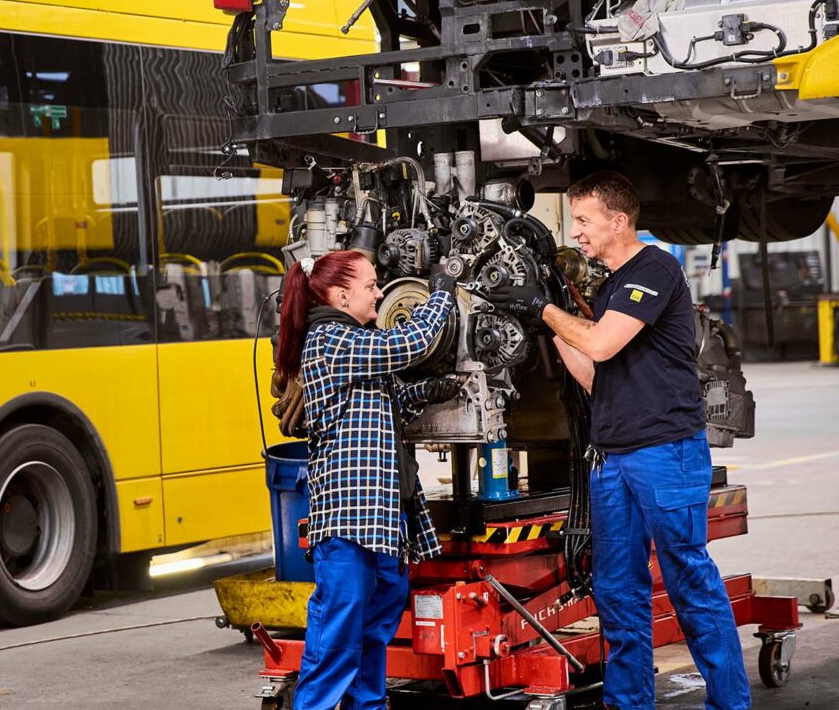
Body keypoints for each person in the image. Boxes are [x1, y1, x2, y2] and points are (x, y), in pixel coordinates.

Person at [487, 171, 750, 710]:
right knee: (617, 592)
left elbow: (603, 344)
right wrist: (548, 319)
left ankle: (730, 703)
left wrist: (544, 309)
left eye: (584, 220)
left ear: (618, 220)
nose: (577, 233)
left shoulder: (654, 267)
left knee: (688, 583)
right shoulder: (608, 288)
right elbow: (593, 376)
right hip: (612, 460)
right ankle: (628, 703)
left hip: (664, 453)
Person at [274, 249, 458, 710]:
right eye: (372, 285)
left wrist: (439, 388)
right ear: (341, 295)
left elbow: (392, 403)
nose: (380, 292)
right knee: (339, 632)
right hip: (350, 519)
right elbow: (406, 345)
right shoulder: (329, 340)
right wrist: (441, 293)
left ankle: (368, 705)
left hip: (382, 519)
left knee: (376, 626)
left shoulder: (355, 342)